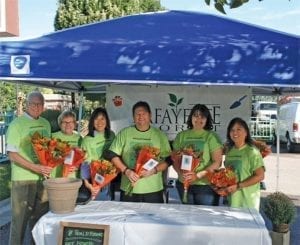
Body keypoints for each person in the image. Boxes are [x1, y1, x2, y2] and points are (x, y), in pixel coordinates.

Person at [6, 91, 52, 245]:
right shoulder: (16, 124)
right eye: (33, 103)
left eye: (40, 104)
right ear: (26, 104)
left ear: (43, 106)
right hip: (23, 180)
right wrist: (35, 168)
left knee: (39, 222)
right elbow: (12, 155)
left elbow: (49, 150)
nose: (36, 107)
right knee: (20, 222)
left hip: (42, 180)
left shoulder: (46, 123)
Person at [105, 101, 171, 203]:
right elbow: (112, 154)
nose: (141, 117)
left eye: (144, 113)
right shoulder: (125, 133)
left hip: (153, 189)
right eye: (137, 114)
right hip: (128, 188)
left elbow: (169, 160)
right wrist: (126, 171)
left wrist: (154, 170)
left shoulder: (159, 135)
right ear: (133, 117)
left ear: (150, 115)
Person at [172, 104, 223, 206]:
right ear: (191, 117)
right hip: (184, 185)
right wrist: (180, 173)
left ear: (207, 119)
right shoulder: (181, 136)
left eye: (202, 116)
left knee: (205, 219)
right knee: (188, 218)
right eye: (195, 115)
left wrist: (198, 175)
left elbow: (217, 162)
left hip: (205, 186)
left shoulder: (211, 136)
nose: (198, 119)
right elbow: (174, 158)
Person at [223, 117, 265, 211]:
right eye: (232, 130)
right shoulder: (229, 151)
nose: (235, 133)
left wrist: (238, 186)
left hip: (248, 201)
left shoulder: (252, 152)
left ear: (246, 133)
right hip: (232, 200)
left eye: (239, 129)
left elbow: (260, 176)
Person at [80, 107, 115, 199]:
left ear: (107, 120)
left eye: (102, 118)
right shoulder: (87, 140)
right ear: (92, 121)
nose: (99, 122)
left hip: (111, 179)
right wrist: (88, 185)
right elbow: (84, 165)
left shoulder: (111, 135)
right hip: (95, 181)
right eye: (96, 119)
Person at [52, 110, 82, 178]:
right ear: (60, 124)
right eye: (64, 122)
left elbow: (84, 158)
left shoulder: (79, 138)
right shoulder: (52, 136)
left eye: (70, 122)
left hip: (73, 177)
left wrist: (78, 166)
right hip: (56, 176)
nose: (68, 124)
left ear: (74, 124)